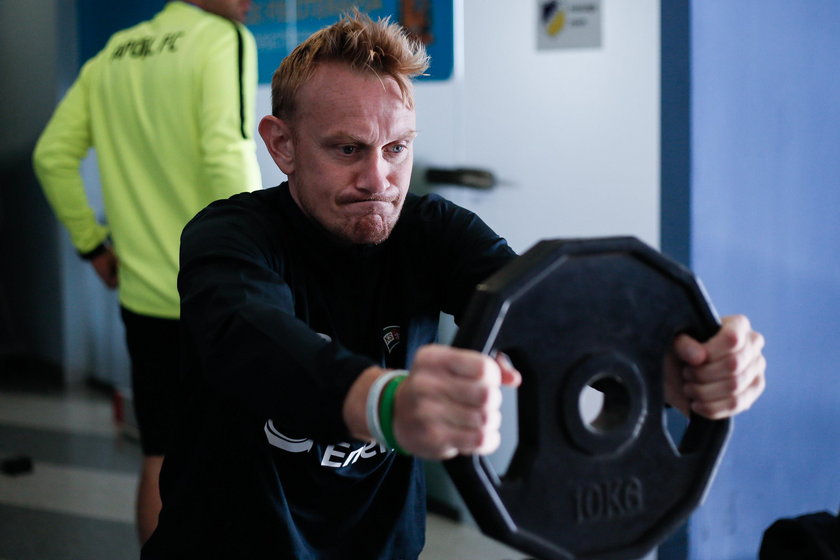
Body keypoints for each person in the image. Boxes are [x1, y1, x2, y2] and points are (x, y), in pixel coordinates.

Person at [141, 11, 767, 559]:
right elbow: (249, 337)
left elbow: (546, 316)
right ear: (282, 145)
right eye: (347, 149)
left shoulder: (432, 230)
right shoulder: (228, 236)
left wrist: (670, 370)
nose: (378, 178)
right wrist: (385, 403)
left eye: (397, 148)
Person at [31, 0, 262, 544]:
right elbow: (226, 152)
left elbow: (52, 155)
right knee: (243, 453)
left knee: (160, 451)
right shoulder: (222, 39)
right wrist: (270, 258)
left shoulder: (111, 56)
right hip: (221, 296)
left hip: (143, 298)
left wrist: (94, 246)